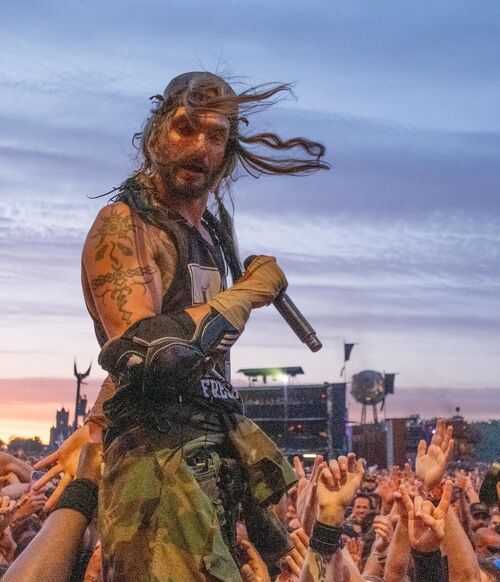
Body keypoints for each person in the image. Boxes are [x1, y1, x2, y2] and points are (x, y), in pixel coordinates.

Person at [70, 70, 328, 581]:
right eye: (186, 128)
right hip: (156, 477)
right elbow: (145, 354)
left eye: (216, 136)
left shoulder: (209, 231)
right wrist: (250, 292)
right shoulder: (125, 224)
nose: (200, 147)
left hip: (206, 467)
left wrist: (97, 423)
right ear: (153, 135)